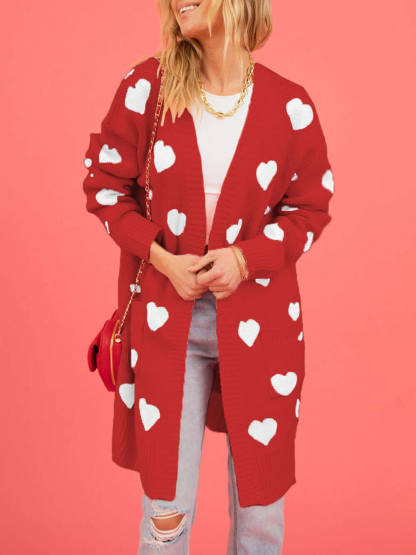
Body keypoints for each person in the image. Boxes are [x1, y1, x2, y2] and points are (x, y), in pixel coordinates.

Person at [82, 0, 335, 552]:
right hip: (166, 322)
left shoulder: (290, 105)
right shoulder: (147, 87)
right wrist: (165, 261)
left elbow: (311, 208)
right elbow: (104, 187)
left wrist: (244, 260)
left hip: (263, 327)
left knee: (261, 516)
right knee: (166, 513)